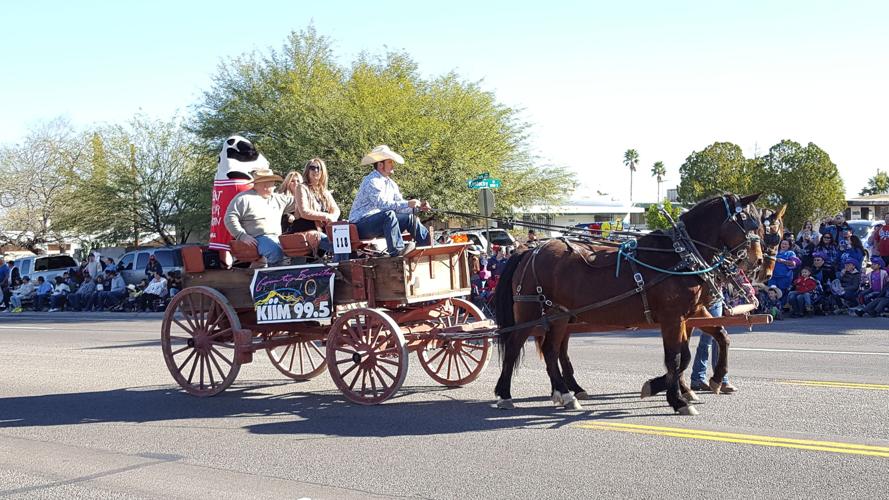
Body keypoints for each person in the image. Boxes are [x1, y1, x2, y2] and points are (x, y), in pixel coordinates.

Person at [347, 145, 432, 257]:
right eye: (390, 162)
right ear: (381, 165)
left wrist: (418, 207)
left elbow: (400, 207)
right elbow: (383, 205)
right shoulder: (371, 181)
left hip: (381, 222)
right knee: (389, 215)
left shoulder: (391, 184)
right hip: (360, 225)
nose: (393, 165)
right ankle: (397, 251)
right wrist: (408, 203)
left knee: (410, 218)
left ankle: (427, 247)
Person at [224, 168, 297, 268]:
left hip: (277, 238)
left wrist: (313, 195)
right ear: (265, 185)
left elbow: (299, 203)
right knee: (275, 252)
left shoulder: (278, 199)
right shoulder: (244, 198)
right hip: (257, 238)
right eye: (272, 183)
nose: (274, 186)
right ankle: (274, 280)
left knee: (296, 249)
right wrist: (242, 235)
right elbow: (229, 218)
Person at [291, 158, 342, 259]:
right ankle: (342, 269)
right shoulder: (301, 188)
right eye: (312, 168)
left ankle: (342, 268)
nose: (316, 170)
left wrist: (333, 217)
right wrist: (326, 217)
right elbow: (304, 212)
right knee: (338, 246)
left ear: (323, 172)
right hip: (307, 230)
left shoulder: (324, 191)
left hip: (324, 230)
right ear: (307, 170)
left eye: (319, 168)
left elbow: (336, 210)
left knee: (345, 242)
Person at [690, 300, 738, 393]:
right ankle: (720, 380)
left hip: (716, 298)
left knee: (712, 338)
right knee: (714, 336)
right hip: (705, 298)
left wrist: (749, 295)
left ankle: (698, 378)